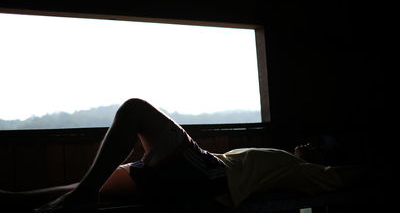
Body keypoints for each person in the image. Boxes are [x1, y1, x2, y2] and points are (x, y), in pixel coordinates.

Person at [0, 98, 363, 212]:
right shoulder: (287, 158)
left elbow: (352, 174)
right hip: (198, 171)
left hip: (210, 174)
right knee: (93, 183)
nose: (310, 146)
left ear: (322, 159)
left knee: (134, 109)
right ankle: (14, 200)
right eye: (312, 142)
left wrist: (353, 167)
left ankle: (81, 199)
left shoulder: (308, 171)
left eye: (319, 148)